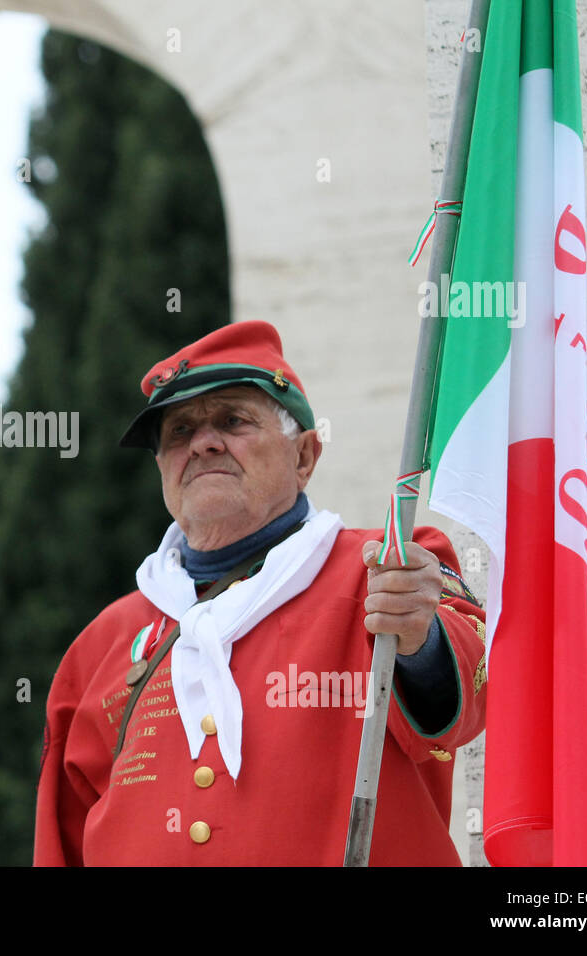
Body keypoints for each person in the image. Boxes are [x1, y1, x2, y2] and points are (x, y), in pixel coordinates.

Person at [33, 321, 488, 866]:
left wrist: (422, 638)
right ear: (162, 468)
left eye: (232, 420)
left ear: (304, 456)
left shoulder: (389, 566)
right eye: (178, 432)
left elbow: (468, 699)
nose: (201, 443)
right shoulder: (101, 643)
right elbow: (60, 843)